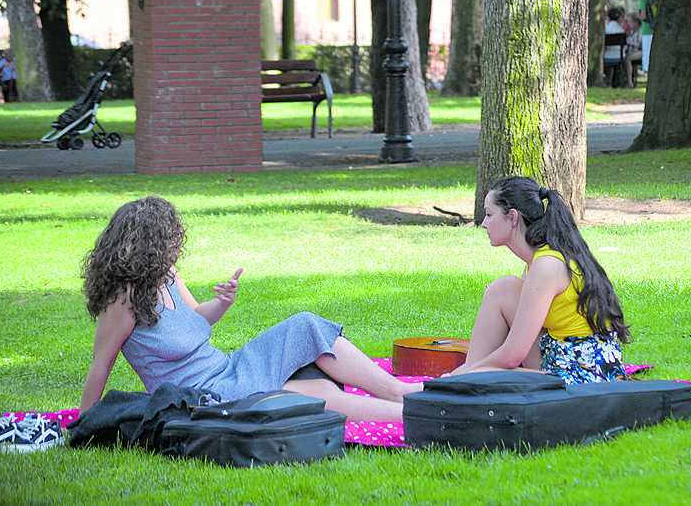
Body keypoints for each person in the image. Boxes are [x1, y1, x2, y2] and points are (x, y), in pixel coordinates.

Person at [79, 196, 421, 422]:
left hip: (229, 369)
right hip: (205, 397)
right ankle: (416, 415)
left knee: (305, 325)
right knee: (313, 398)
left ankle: (399, 392)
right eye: (171, 240)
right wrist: (85, 421)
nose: (178, 245)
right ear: (149, 245)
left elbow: (197, 319)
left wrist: (222, 302)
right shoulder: (122, 301)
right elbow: (101, 364)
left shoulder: (166, 276)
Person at [448, 176, 632, 385]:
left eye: (489, 215)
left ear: (512, 217)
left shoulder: (546, 266)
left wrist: (467, 372)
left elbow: (512, 356)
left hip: (584, 379)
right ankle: (456, 385)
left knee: (502, 290)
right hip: (562, 361)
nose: (483, 224)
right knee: (503, 289)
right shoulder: (537, 263)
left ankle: (454, 384)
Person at [602, 7, 627, 88]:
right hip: (620, 56)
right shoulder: (621, 30)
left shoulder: (606, 29)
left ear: (608, 17)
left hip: (608, 56)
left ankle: (607, 81)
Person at [637, 0, 657, 75]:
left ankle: (647, 72)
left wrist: (638, 16)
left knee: (647, 51)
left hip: (647, 29)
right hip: (658, 29)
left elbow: (643, 15)